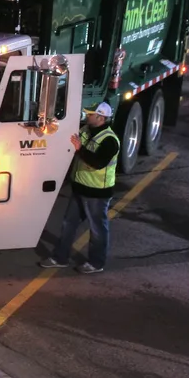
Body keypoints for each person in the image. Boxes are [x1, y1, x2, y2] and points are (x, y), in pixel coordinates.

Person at [40, 101, 120, 274]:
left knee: (97, 229)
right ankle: (60, 258)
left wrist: (79, 149)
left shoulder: (110, 140)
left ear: (100, 117)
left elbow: (97, 163)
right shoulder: (86, 131)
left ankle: (96, 263)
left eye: (90, 114)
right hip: (80, 188)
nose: (87, 116)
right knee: (68, 224)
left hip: (97, 193)